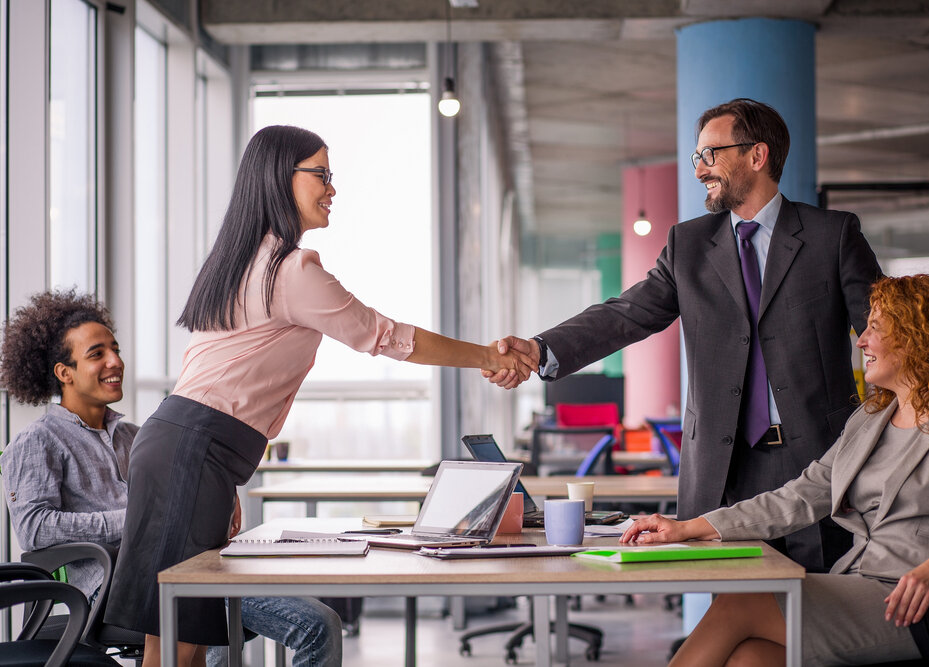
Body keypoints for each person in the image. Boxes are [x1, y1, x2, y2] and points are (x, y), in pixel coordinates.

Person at [100, 124, 533, 666]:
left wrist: (220, 477)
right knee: (180, 646)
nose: (333, 188)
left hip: (184, 445)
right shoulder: (290, 269)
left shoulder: (237, 262)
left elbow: (205, 377)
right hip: (195, 449)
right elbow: (389, 337)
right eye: (321, 174)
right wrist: (490, 357)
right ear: (282, 179)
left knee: (170, 638)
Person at [486, 98, 881, 572]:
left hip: (816, 461)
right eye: (698, 157)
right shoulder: (689, 244)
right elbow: (626, 314)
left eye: (711, 155)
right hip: (722, 467)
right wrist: (539, 349)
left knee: (815, 606)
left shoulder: (831, 235)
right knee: (733, 606)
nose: (700, 170)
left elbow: (885, 332)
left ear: (757, 156)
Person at [621, 274, 929, 665]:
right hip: (857, 584)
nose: (862, 340)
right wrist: (687, 527)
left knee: (742, 602)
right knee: (751, 658)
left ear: (919, 336)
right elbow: (798, 497)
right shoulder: (869, 421)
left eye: (876, 327)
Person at [0, 290, 343, 667]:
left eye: (115, 349)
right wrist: (143, 520)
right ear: (64, 373)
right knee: (316, 626)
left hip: (185, 563)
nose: (115, 361)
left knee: (224, 624)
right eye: (97, 354)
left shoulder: (140, 436)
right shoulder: (38, 441)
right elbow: (35, 530)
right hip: (112, 587)